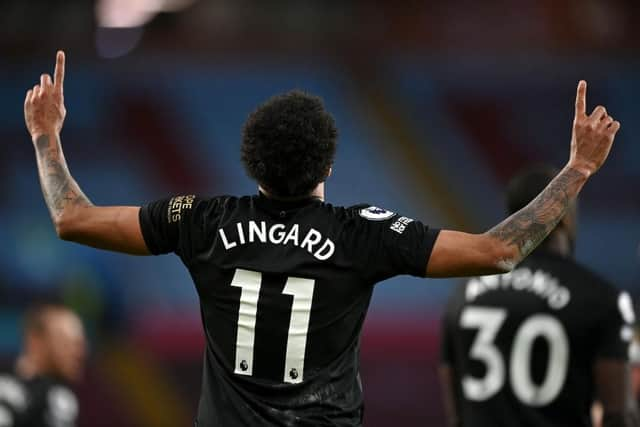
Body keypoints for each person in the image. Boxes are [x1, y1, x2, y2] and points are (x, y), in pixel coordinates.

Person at [23, 50, 620, 426]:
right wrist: (577, 170)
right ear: (327, 166)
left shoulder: (200, 221)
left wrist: (47, 135)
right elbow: (501, 250)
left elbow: (72, 217)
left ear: (253, 166)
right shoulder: (361, 234)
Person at [439, 166, 639, 427]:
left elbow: (456, 416)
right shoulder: (600, 299)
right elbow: (619, 416)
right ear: (565, 216)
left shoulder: (463, 297)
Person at [0, 303, 86, 427]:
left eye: (80, 344)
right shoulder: (57, 398)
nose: (79, 352)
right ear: (35, 340)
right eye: (68, 343)